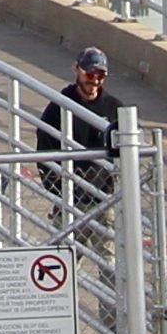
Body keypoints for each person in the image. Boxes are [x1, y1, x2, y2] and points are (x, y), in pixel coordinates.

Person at [36, 45, 123, 223]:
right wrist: (59, 190)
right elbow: (44, 149)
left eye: (101, 75)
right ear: (77, 70)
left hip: (104, 198)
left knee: (108, 250)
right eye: (90, 74)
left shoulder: (114, 107)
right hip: (69, 199)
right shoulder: (59, 107)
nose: (95, 81)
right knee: (69, 248)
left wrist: (113, 187)